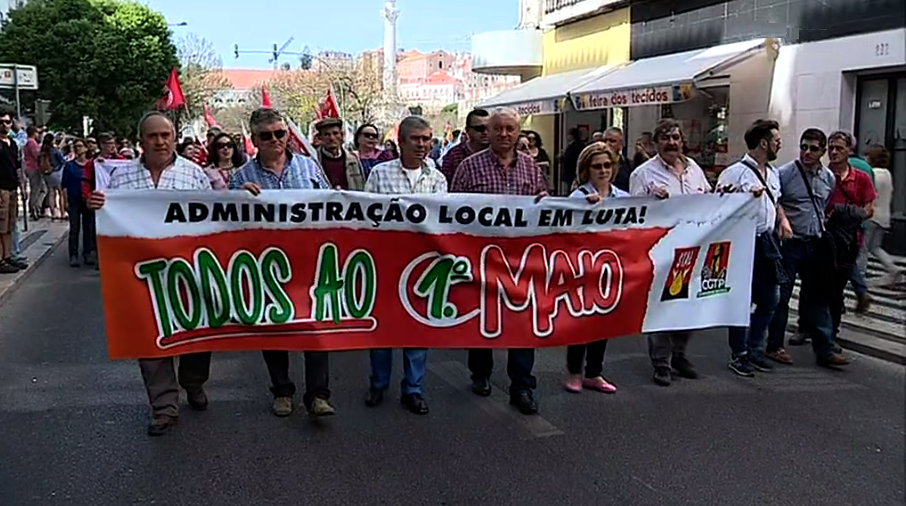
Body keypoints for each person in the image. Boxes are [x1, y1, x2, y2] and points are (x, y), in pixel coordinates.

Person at [86, 111, 213, 436]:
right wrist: (97, 204)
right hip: (141, 275)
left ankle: (193, 382)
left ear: (174, 138)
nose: (160, 141)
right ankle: (163, 406)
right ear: (141, 140)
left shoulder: (194, 175)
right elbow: (110, 215)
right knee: (149, 337)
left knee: (197, 332)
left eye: (165, 135)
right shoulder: (121, 177)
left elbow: (215, 217)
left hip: (187, 272)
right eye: (152, 136)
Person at [230, 107, 335, 419]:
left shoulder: (309, 166)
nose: (275, 139)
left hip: (309, 260)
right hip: (265, 265)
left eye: (280, 133)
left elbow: (331, 204)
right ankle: (282, 391)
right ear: (254, 140)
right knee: (272, 328)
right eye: (266, 136)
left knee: (315, 325)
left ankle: (318, 395)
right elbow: (227, 223)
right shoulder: (241, 177)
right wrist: (237, 198)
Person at [451, 108, 549, 415]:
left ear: (518, 132)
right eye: (498, 129)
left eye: (510, 128)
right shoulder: (469, 167)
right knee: (484, 318)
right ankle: (480, 373)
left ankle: (522, 386)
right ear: (488, 132)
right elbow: (452, 210)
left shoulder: (531, 167)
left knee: (523, 322)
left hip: (521, 261)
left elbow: (544, 203)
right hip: (482, 260)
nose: (504, 134)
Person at [363, 116, 447, 415]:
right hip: (386, 263)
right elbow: (367, 217)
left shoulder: (437, 179)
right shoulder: (379, 174)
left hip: (422, 265)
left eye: (427, 139)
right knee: (383, 327)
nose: (422, 145)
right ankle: (378, 383)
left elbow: (442, 222)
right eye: (416, 139)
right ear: (400, 142)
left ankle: (413, 388)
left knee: (417, 327)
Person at [629, 119, 711, 386]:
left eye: (675, 137)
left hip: (693, 249)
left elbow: (709, 200)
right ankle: (661, 363)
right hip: (662, 251)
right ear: (655, 143)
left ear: (682, 141)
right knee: (661, 308)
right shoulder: (643, 174)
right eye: (665, 138)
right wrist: (651, 200)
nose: (671, 143)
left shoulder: (694, 169)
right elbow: (633, 215)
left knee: (688, 307)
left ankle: (679, 355)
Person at [766, 128, 849, 368]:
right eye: (804, 147)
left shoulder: (828, 178)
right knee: (782, 296)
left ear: (822, 151)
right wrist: (783, 220)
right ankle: (774, 345)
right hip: (790, 244)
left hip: (815, 244)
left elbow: (824, 205)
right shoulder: (785, 174)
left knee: (819, 297)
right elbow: (774, 201)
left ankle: (824, 349)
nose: (807, 152)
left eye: (813, 149)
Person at [716, 119, 784, 377]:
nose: (779, 144)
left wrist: (782, 221)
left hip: (767, 241)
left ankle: (754, 347)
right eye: (776, 141)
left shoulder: (774, 173)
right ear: (764, 143)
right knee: (741, 301)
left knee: (770, 299)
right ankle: (739, 353)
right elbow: (718, 206)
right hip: (742, 243)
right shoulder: (734, 173)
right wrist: (741, 196)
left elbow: (776, 202)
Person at [564, 142, 626, 394]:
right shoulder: (577, 198)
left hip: (611, 268)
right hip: (582, 268)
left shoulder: (623, 197)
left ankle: (594, 373)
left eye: (607, 165)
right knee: (580, 322)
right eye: (597, 166)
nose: (603, 171)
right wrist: (584, 209)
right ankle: (574, 372)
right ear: (586, 170)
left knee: (603, 321)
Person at [825, 131, 875, 346]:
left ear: (849, 150)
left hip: (849, 241)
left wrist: (849, 213)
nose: (834, 152)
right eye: (831, 148)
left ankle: (830, 335)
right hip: (824, 240)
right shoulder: (823, 175)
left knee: (836, 290)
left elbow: (869, 209)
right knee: (819, 288)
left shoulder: (861, 178)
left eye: (839, 148)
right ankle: (809, 328)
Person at [864, 144, 903, 288]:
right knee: (875, 247)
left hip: (872, 216)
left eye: (867, 156)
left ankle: (859, 277)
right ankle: (893, 268)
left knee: (863, 248)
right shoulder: (887, 174)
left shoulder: (872, 174)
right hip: (884, 216)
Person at [61, 139, 94, 267]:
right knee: (74, 228)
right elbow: (64, 185)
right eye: (75, 146)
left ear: (86, 148)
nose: (77, 148)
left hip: (87, 200)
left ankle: (87, 253)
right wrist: (65, 201)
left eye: (80, 146)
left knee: (88, 227)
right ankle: (73, 255)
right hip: (74, 199)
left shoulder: (91, 165)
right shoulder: (69, 166)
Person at [0, 108, 25, 274]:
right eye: (1, 122)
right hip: (1, 189)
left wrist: (22, 187)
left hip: (12, 188)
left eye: (7, 121)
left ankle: (8, 255)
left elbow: (17, 167)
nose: (4, 125)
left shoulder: (13, 144)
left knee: (10, 224)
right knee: (0, 225)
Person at [313, 118, 366, 191]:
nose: (332, 138)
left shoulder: (353, 160)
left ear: (342, 135)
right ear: (320, 137)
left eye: (335, 133)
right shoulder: (314, 161)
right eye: (327, 134)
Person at [441, 108, 490, 184]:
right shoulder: (454, 156)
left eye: (489, 128)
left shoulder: (497, 153)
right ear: (467, 130)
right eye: (480, 128)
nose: (485, 132)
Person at [39, 132, 66, 220]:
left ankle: (53, 213)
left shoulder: (42, 151)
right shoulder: (55, 150)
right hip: (56, 173)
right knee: (60, 193)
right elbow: (62, 161)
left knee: (51, 193)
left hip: (46, 174)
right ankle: (62, 213)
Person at [602, 127, 634, 192]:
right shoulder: (592, 163)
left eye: (612, 141)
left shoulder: (629, 165)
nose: (607, 144)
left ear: (620, 144)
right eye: (604, 141)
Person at [23, 126, 45, 220]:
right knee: (37, 189)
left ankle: (35, 207)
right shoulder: (32, 142)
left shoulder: (28, 142)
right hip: (33, 168)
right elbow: (36, 155)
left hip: (30, 167)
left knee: (41, 188)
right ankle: (34, 208)